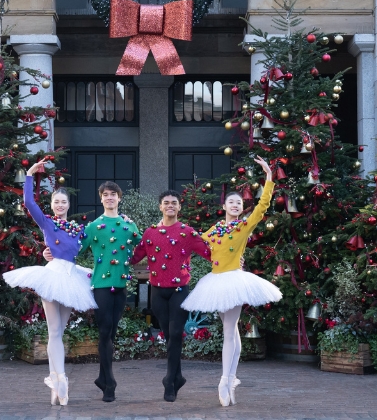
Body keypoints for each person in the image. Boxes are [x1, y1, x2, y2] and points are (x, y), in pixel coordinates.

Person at [181, 155, 281, 407]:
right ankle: (232, 376)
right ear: (224, 207)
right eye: (231, 202)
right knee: (231, 328)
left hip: (234, 282)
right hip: (216, 282)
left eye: (238, 202)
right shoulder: (214, 230)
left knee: (229, 329)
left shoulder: (243, 227)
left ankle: (224, 380)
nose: (235, 205)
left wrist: (269, 177)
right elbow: (193, 242)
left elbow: (262, 208)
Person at [3, 156, 95, 406]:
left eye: (64, 201)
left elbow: (93, 242)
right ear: (53, 205)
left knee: (56, 332)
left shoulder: (78, 230)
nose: (60, 204)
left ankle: (58, 381)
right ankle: (59, 380)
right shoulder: (47, 223)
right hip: (56, 275)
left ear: (68, 204)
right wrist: (30, 174)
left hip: (69, 275)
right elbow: (29, 202)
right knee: (56, 332)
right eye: (56, 201)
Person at [130, 190, 212, 402]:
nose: (170, 206)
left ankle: (169, 381)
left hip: (179, 292)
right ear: (160, 207)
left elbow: (209, 252)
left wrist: (233, 260)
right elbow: (135, 256)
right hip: (157, 292)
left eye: (174, 203)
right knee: (169, 336)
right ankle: (178, 376)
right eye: (166, 203)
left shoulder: (187, 232)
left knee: (175, 334)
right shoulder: (150, 233)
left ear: (179, 207)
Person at [76, 181, 139, 402]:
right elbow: (75, 248)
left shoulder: (130, 225)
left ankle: (102, 378)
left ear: (119, 198)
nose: (110, 197)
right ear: (101, 199)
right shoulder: (93, 227)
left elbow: (145, 248)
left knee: (111, 333)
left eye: (114, 194)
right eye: (106, 194)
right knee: (104, 331)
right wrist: (50, 253)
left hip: (121, 286)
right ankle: (109, 383)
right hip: (101, 286)